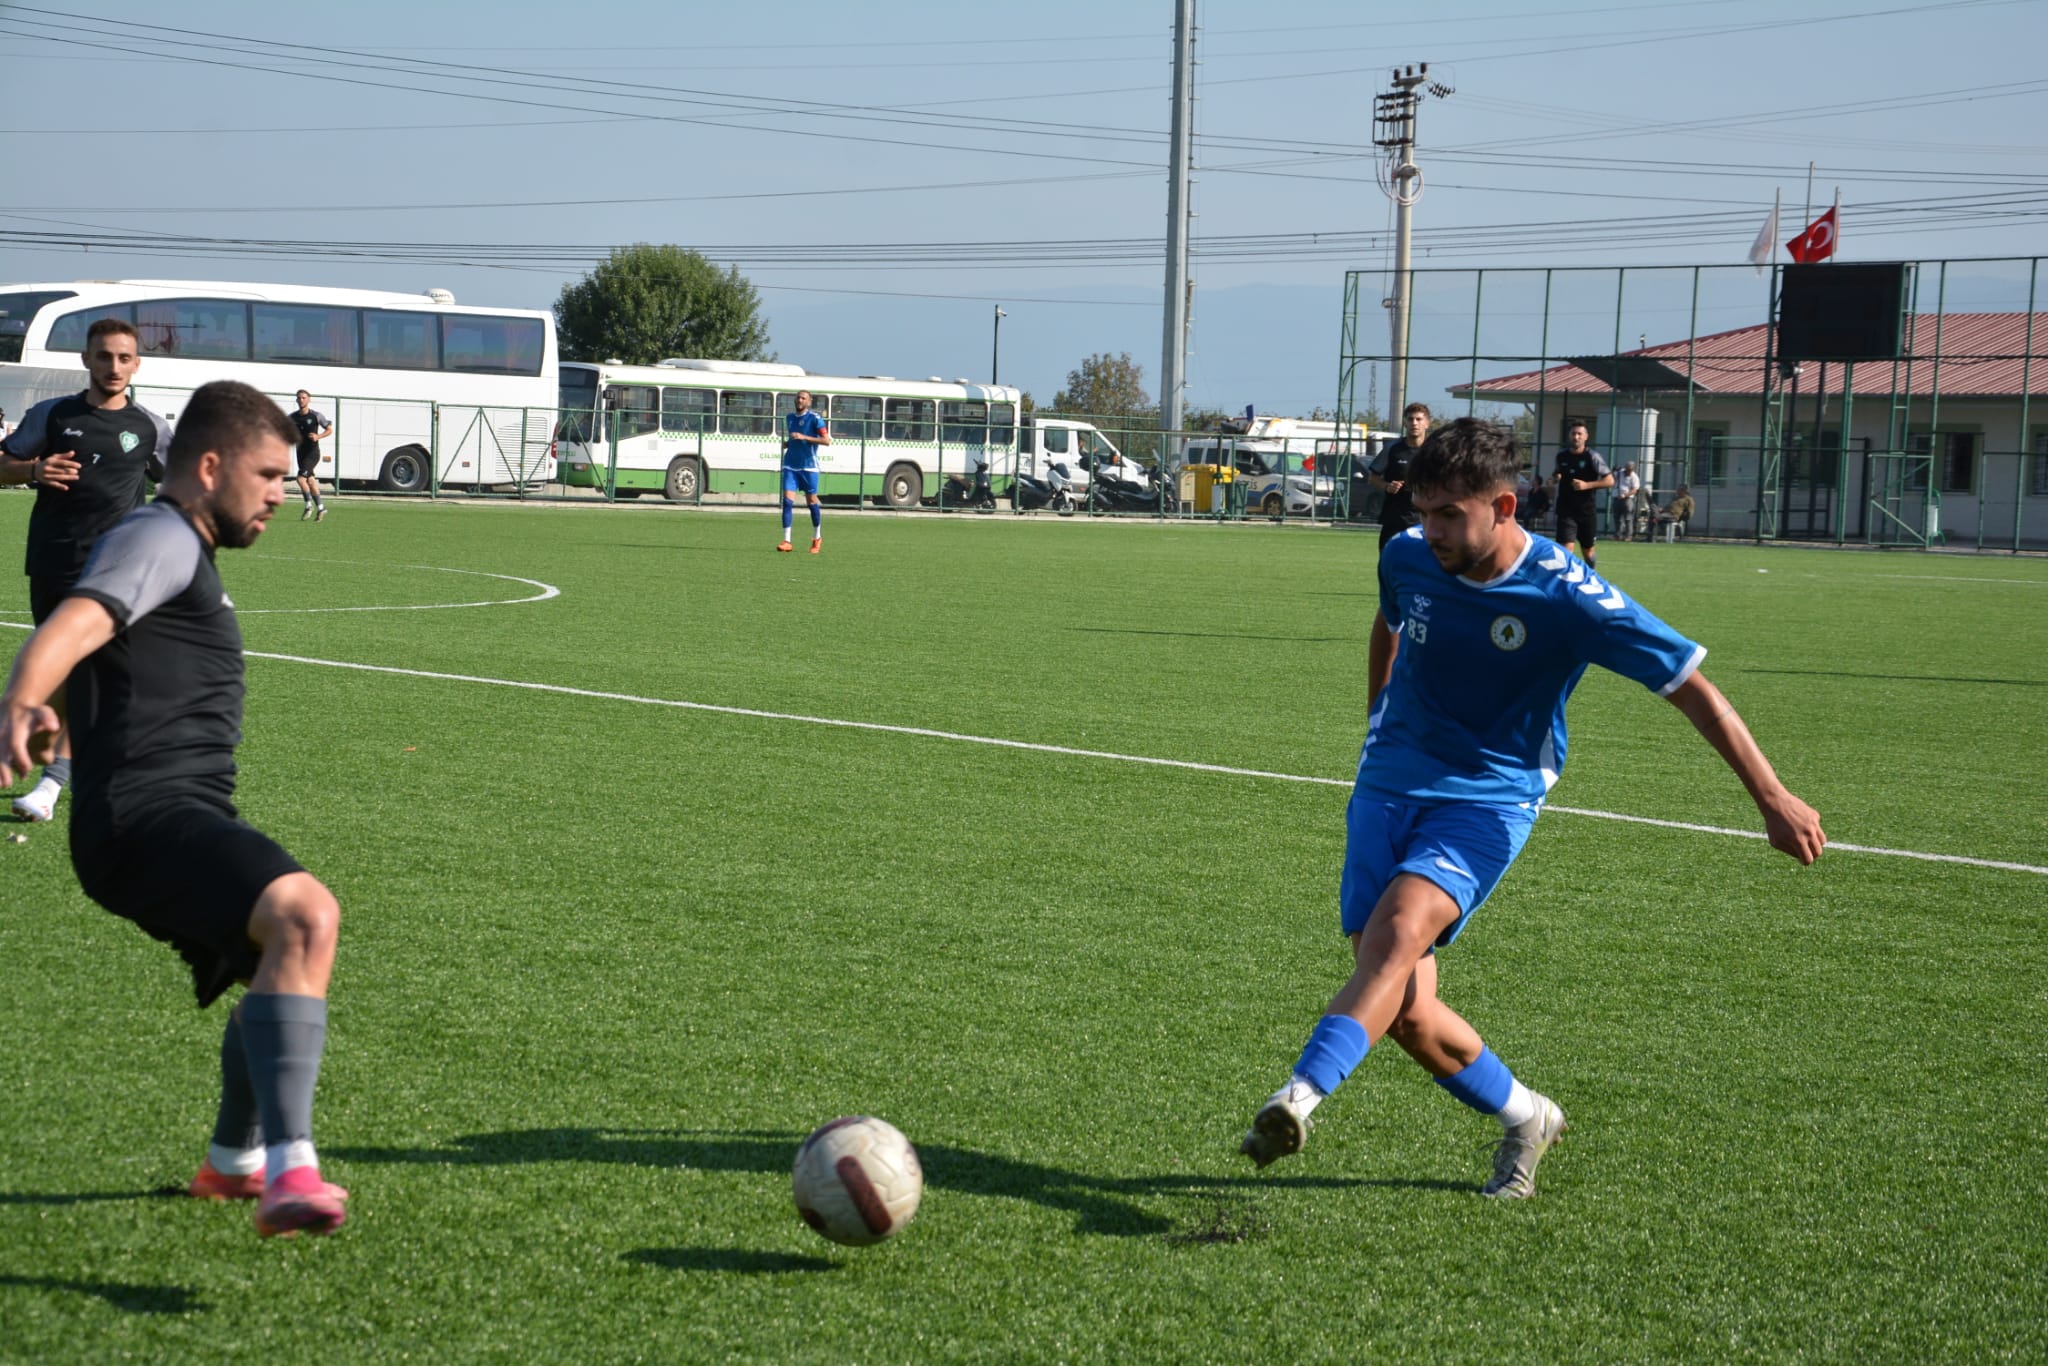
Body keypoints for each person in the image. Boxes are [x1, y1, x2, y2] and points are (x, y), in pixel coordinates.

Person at [1240, 417, 1824, 1198]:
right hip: (1386, 785)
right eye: (1424, 511)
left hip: (1488, 798)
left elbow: (1691, 688)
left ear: (1505, 507)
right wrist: (1376, 717)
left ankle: (1298, 1097)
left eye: (1451, 514)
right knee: (1407, 1009)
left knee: (1398, 938)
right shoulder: (1408, 556)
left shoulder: (1567, 597)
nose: (1431, 530)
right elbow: (1388, 626)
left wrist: (1772, 795)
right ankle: (1528, 1117)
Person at [0, 379, 349, 1238]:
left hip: (175, 812)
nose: (280, 490)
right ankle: (290, 1169)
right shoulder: (160, 535)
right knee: (306, 916)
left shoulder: (184, 549)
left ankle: (232, 1163)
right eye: (268, 474)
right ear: (208, 465)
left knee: (274, 955)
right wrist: (23, 697)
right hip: (142, 818)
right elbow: (80, 619)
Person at [0, 317, 170, 823]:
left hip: (117, 572)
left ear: (136, 364)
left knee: (89, 676)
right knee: (58, 676)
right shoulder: (52, 416)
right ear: (86, 360)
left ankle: (52, 787)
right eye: (103, 356)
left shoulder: (150, 427)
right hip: (53, 561)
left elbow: (181, 482)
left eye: (123, 358)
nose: (113, 366)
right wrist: (32, 470)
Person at [1365, 403, 1433, 696]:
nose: (1414, 423)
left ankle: (1419, 623)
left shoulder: (1434, 453)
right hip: (1394, 521)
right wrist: (1386, 486)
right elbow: (1373, 476)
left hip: (1426, 523)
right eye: (1410, 419)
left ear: (1427, 423)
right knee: (1389, 576)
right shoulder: (1394, 450)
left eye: (1419, 419)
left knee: (1428, 574)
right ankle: (1395, 625)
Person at [1550, 419, 1613, 568]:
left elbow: (1610, 481)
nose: (1576, 437)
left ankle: (1591, 576)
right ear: (1569, 436)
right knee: (1565, 550)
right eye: (1573, 433)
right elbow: (1557, 473)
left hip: (1586, 511)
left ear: (1586, 436)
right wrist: (1554, 479)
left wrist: (1587, 485)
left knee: (1588, 552)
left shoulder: (1593, 457)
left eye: (1579, 434)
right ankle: (1566, 583)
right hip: (1566, 509)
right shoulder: (1562, 456)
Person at [778, 389, 829, 553]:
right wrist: (788, 443)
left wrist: (804, 437)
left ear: (809, 402)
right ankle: (787, 541)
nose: (799, 400)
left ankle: (817, 538)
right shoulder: (789, 418)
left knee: (812, 503)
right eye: (798, 397)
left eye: (803, 398)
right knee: (787, 502)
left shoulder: (815, 418)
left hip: (809, 467)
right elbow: (795, 438)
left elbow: (826, 441)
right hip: (790, 465)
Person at [289, 390, 332, 522]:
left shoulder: (316, 416)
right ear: (296, 400)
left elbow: (329, 429)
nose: (301, 400)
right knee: (311, 481)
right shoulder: (292, 417)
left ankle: (308, 506)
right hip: (300, 452)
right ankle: (321, 507)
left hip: (312, 453)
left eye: (304, 398)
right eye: (299, 398)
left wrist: (318, 436)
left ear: (309, 400)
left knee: (300, 479)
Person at [1612, 462, 1642, 540]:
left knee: (1628, 518)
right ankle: (1618, 535)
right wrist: (1613, 471)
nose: (1628, 471)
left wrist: (1625, 495)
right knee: (1617, 518)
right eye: (1627, 469)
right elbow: (1612, 479)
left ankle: (1628, 536)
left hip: (1628, 499)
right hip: (1617, 497)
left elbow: (1635, 490)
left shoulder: (1634, 477)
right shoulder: (1619, 473)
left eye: (1630, 469)